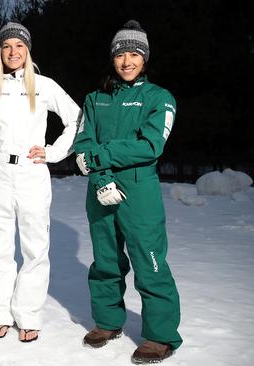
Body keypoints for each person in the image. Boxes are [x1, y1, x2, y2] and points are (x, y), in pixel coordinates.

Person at [73, 20, 182, 363]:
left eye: (135, 54)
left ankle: (160, 336)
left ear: (145, 58)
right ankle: (108, 322)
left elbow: (149, 146)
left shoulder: (159, 98)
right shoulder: (95, 99)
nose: (127, 61)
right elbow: (82, 144)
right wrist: (100, 178)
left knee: (149, 263)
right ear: (113, 58)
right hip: (99, 188)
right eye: (121, 54)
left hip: (140, 190)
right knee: (106, 260)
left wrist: (99, 158)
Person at [0, 22, 80, 342]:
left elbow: (77, 119)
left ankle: (28, 314)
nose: (13, 52)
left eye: (19, 46)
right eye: (6, 46)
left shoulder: (43, 86)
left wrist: (55, 152)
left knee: (35, 249)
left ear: (27, 51)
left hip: (31, 173)